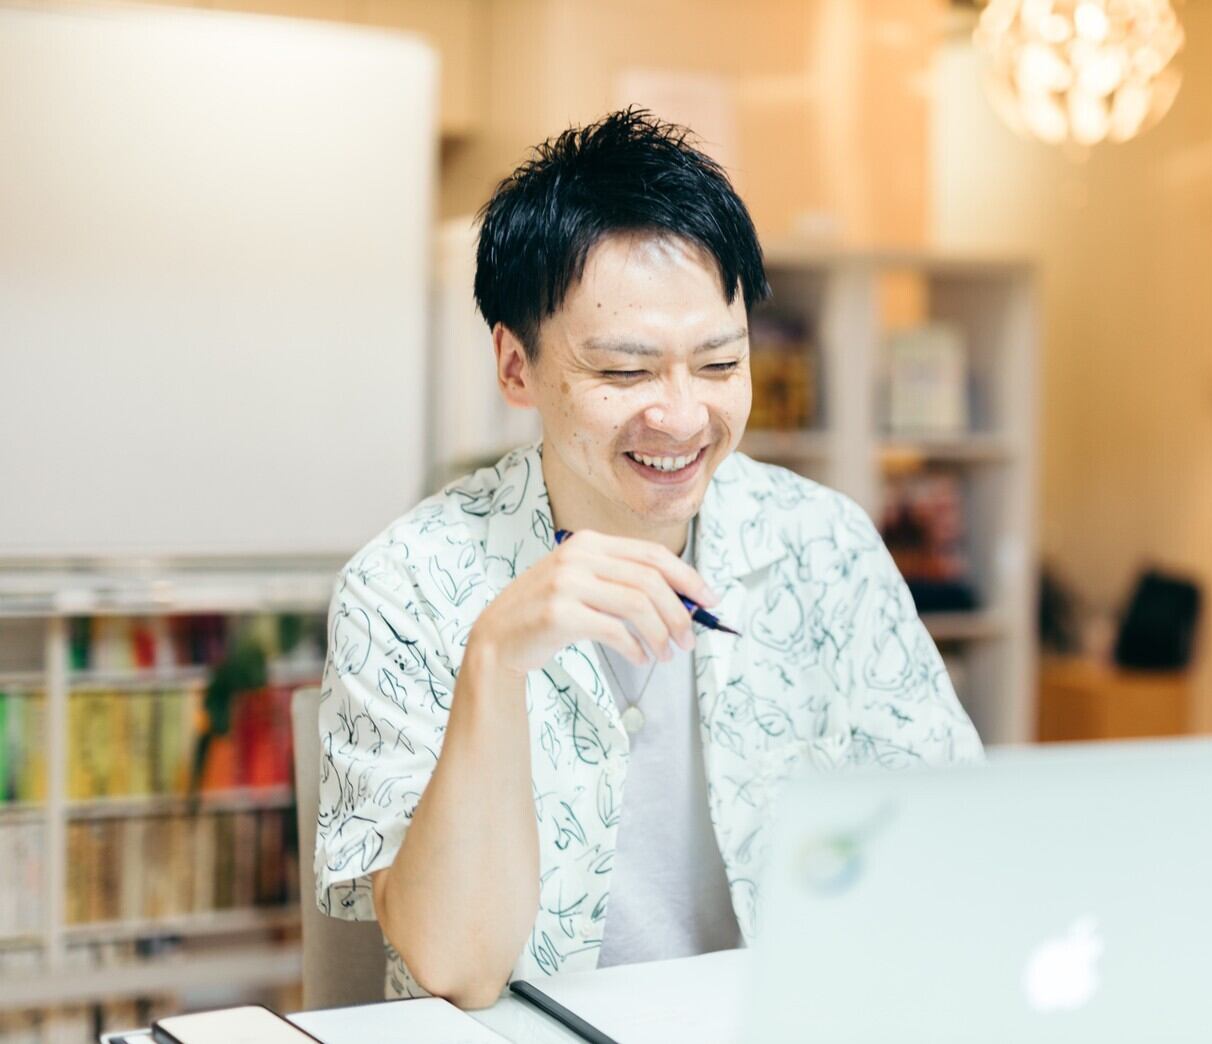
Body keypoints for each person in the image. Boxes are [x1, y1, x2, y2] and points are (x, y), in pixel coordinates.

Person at [314, 108, 982, 1007]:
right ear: (515, 367)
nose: (681, 417)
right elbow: (457, 968)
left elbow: (950, 851)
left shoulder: (823, 546)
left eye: (719, 364)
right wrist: (495, 660)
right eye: (625, 372)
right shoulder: (405, 586)